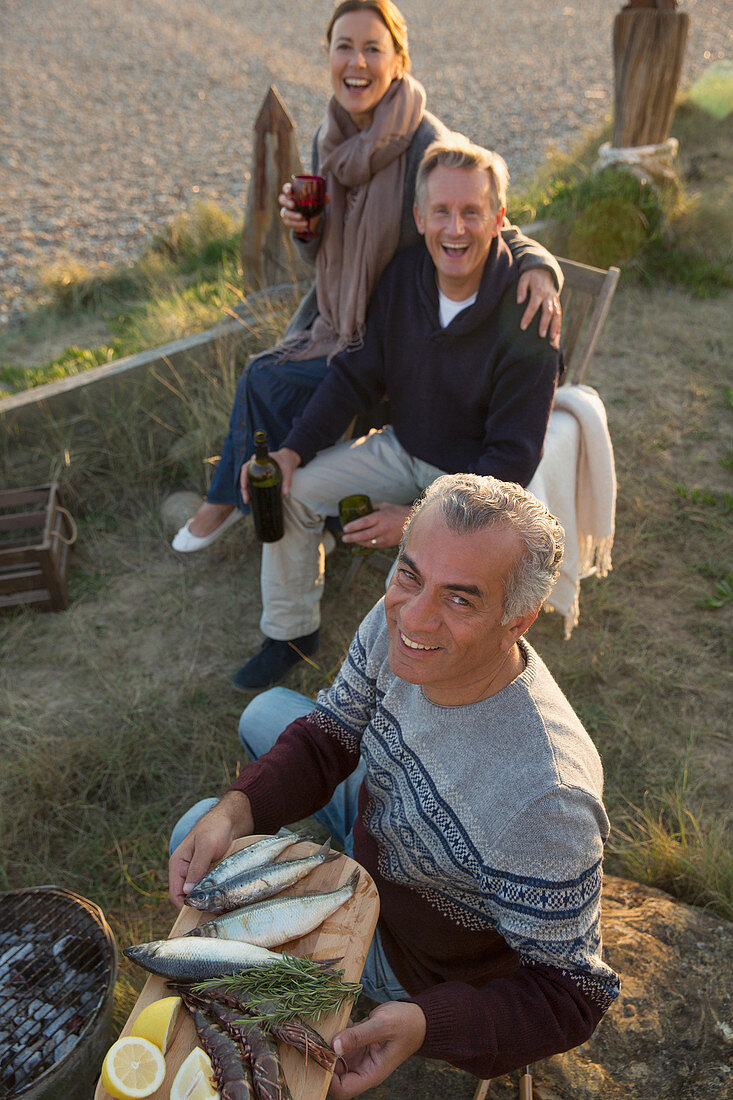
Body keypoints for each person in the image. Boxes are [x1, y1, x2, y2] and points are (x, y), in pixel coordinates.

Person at [169, 473, 619, 1097]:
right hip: (389, 819)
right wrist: (240, 807)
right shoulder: (395, 620)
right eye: (410, 575)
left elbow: (575, 996)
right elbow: (331, 734)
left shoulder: (545, 804)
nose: (415, 616)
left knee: (189, 833)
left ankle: (362, 975)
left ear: (519, 620)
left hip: (418, 954)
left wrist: (428, 1023)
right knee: (239, 762)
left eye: (460, 600)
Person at [171, 0, 563, 553]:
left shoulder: (426, 144)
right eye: (344, 47)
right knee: (272, 376)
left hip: (403, 334)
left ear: (399, 60)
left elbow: (481, 217)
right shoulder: (328, 138)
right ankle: (292, 511)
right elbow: (327, 258)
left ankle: (239, 502)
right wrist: (308, 231)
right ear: (328, 57)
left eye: (373, 48)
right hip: (354, 320)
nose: (357, 61)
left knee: (267, 380)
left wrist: (540, 266)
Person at [233, 135, 564, 689]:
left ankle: (409, 689)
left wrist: (414, 518)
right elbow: (353, 377)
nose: (455, 229)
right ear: (419, 216)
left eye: (471, 212)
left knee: (422, 585)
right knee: (290, 488)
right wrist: (291, 451)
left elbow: (512, 459)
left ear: (498, 217)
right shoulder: (403, 277)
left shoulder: (527, 312)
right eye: (441, 212)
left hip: (469, 483)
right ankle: (291, 631)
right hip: (401, 448)